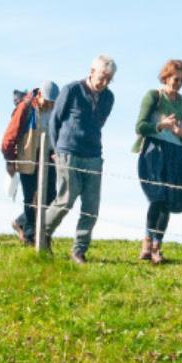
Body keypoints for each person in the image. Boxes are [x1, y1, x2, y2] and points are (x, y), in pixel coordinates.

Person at [42, 55, 117, 263]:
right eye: (102, 77)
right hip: (68, 152)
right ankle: (43, 234)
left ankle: (79, 250)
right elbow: (54, 121)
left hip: (93, 155)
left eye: (109, 79)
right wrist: (57, 149)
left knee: (92, 206)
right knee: (66, 198)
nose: (104, 82)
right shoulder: (71, 90)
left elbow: (99, 123)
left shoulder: (109, 98)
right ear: (92, 71)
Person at [133, 60, 182, 264]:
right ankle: (147, 242)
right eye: (175, 79)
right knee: (157, 197)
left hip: (176, 154)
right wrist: (161, 125)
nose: (178, 83)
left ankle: (156, 246)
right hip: (154, 151)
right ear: (166, 76)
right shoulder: (154, 96)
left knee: (168, 200)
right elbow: (140, 126)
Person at [0, 80, 59, 245]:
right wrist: (10, 161)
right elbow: (9, 137)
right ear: (39, 95)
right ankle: (31, 235)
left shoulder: (55, 110)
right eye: (47, 102)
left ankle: (21, 222)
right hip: (28, 158)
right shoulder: (25, 108)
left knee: (51, 197)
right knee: (32, 197)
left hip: (48, 158)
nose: (49, 106)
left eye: (52, 103)